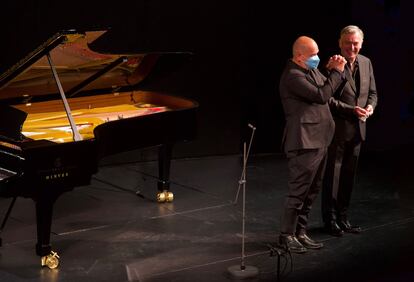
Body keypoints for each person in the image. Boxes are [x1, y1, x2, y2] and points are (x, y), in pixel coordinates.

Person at [278, 36, 347, 253]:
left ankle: (300, 232)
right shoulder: (292, 76)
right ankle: (286, 235)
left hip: (320, 139)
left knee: (312, 190)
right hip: (304, 141)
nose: (317, 58)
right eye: (312, 55)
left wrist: (336, 70)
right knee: (299, 191)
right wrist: (335, 72)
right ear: (299, 57)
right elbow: (321, 95)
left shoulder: (310, 70)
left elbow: (328, 90)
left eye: (317, 53)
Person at [322, 25, 378, 236]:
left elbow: (372, 93)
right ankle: (330, 220)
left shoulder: (366, 62)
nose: (351, 47)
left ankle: (343, 218)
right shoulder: (333, 64)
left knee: (348, 177)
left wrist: (370, 107)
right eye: (348, 43)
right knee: (333, 177)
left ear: (361, 44)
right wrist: (350, 110)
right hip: (337, 130)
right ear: (340, 43)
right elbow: (326, 98)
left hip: (358, 130)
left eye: (355, 43)